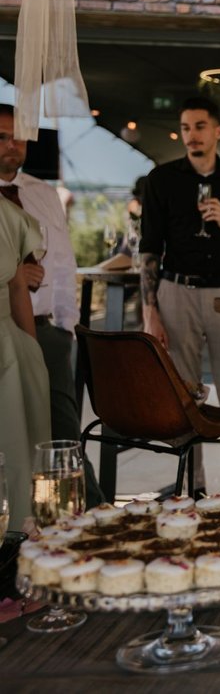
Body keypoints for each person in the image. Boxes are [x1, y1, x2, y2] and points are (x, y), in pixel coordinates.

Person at [140, 97, 220, 495]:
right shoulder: (161, 179)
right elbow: (148, 250)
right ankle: (191, 492)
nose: (192, 135)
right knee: (182, 398)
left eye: (200, 126)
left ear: (217, 131)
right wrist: (150, 311)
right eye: (186, 128)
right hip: (176, 290)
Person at [0, 105, 104, 505]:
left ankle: (81, 513)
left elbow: (63, 264)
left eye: (21, 137)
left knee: (62, 432)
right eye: (4, 137)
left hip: (48, 330)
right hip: (3, 327)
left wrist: (66, 326)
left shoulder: (43, 194)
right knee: (12, 431)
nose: (14, 146)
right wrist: (11, 274)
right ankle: (19, 520)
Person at [0, 196, 50, 526]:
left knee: (17, 458)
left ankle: (16, 548)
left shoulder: (6, 214)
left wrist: (31, 350)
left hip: (8, 348)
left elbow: (18, 287)